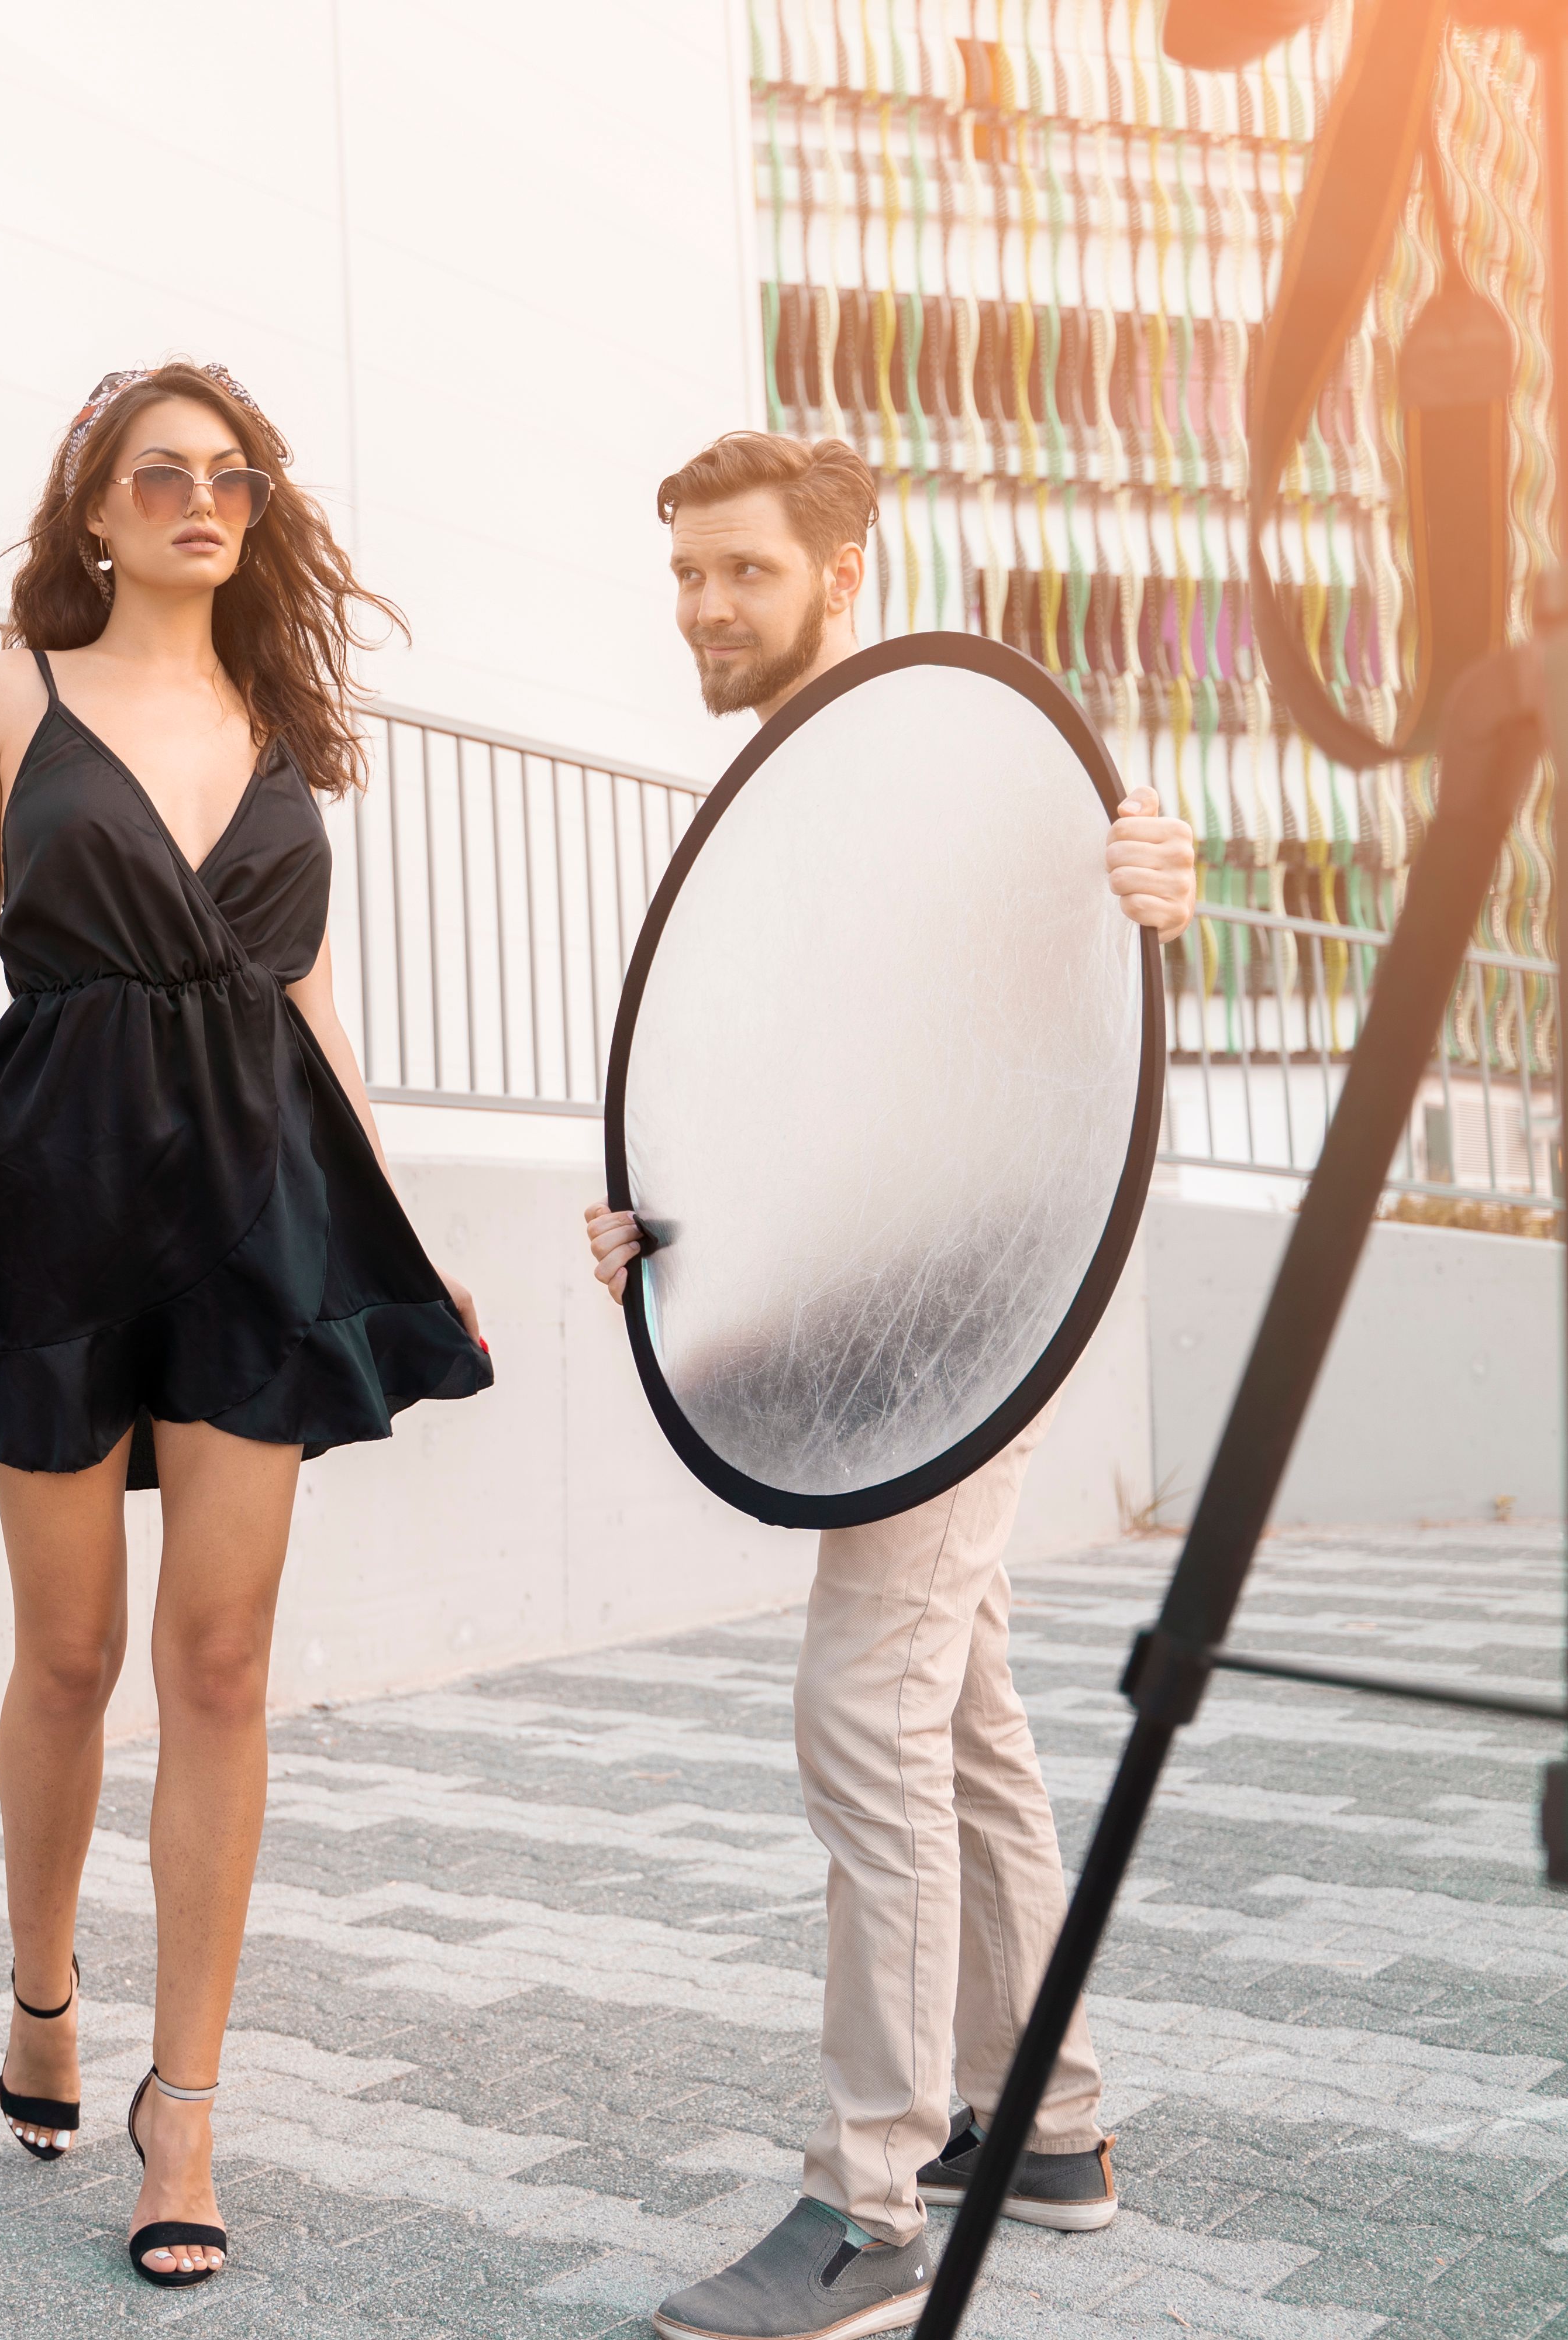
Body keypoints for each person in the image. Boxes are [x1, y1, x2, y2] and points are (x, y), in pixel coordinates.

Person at [0, 360, 491, 2289]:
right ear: (98, 512)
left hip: (258, 1209)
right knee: (68, 1653)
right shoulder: (13, 698)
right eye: (162, 476)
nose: (203, 501)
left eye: (231, 478)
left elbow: (298, 999)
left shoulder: (275, 715)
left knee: (218, 1666)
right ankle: (40, 1990)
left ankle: (182, 2102)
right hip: (43, 1198)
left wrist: (394, 1220)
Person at [589, 432, 1198, 2340]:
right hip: (862, 1322)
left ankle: (864, 2203)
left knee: (860, 1713)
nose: (705, 607)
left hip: (952, 1329)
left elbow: (1103, 927)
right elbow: (810, 1080)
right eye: (686, 574)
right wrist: (665, 1218)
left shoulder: (956, 758)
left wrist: (1158, 872)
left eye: (743, 573)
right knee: (959, 1721)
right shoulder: (788, 796)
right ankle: (1049, 2127)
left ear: (842, 573)